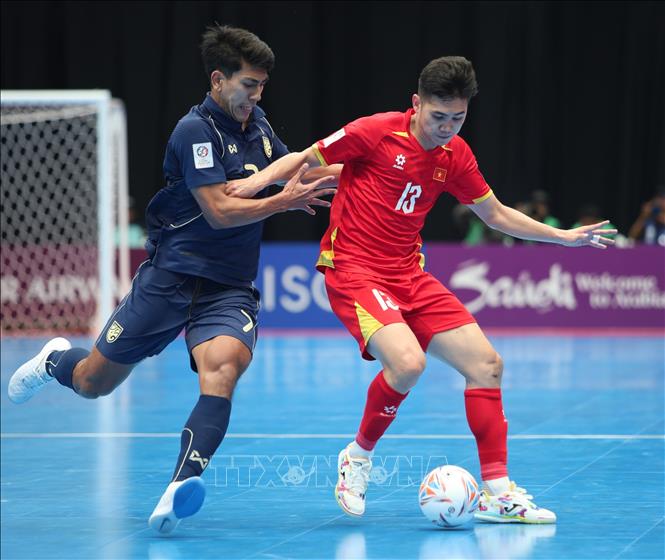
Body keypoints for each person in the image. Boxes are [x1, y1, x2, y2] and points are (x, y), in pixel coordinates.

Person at [226, 56, 616, 524]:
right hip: (355, 270)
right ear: (416, 104)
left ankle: (497, 494)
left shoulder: (456, 155)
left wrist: (562, 237)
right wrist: (251, 185)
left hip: (410, 275)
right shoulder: (376, 131)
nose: (447, 128)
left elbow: (495, 214)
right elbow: (305, 159)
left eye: (458, 118)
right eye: (439, 116)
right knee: (408, 364)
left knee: (487, 365)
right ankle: (358, 456)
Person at [7, 24, 336, 535]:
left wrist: (371, 169)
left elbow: (297, 174)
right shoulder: (194, 132)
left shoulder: (258, 127)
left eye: (262, 86)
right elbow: (220, 212)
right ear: (218, 80)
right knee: (93, 383)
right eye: (249, 85)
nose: (257, 95)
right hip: (170, 279)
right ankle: (55, 360)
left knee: (223, 370)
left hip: (228, 288)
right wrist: (281, 202)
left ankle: (181, 484)